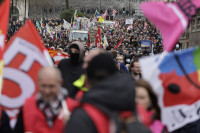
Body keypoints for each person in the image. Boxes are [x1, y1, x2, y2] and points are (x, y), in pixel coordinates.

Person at [65, 52, 137, 133]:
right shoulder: (134, 103)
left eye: (89, 63)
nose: (84, 66)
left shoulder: (83, 116)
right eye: (84, 62)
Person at [23, 67, 70, 133]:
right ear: (38, 83)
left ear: (60, 83)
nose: (47, 91)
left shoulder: (72, 108)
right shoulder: (27, 105)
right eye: (43, 86)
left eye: (51, 86)